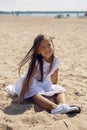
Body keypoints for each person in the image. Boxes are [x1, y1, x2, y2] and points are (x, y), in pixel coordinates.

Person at [5, 34, 81, 114]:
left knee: (60, 89)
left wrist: (55, 69)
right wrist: (22, 95)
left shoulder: (56, 60)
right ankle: (54, 107)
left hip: (43, 83)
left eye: (49, 45)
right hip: (29, 83)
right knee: (33, 92)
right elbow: (29, 78)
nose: (47, 49)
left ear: (53, 46)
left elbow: (54, 82)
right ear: (38, 51)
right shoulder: (36, 61)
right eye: (43, 47)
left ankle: (63, 106)